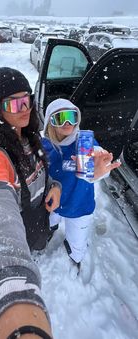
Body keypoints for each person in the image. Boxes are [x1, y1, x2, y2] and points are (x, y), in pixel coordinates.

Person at [0, 67, 61, 339]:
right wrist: (6, 281)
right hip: (19, 231)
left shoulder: (29, 136)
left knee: (37, 246)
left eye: (27, 99)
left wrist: (54, 185)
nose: (24, 109)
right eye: (14, 103)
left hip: (39, 221)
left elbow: (44, 173)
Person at [42, 98, 121, 272]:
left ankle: (74, 254)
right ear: (50, 122)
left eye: (72, 116)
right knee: (50, 220)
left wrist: (99, 169)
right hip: (52, 202)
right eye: (60, 118)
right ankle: (52, 228)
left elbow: (96, 161)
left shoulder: (83, 142)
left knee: (77, 243)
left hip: (78, 205)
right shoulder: (45, 144)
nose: (68, 123)